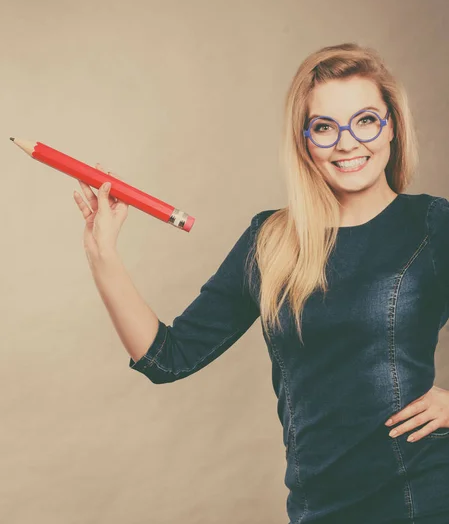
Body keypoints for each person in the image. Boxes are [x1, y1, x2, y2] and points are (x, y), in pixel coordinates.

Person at [73, 42, 449, 524]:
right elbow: (167, 357)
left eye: (366, 120)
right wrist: (101, 252)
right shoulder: (271, 241)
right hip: (319, 505)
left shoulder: (430, 225)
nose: (348, 142)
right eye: (324, 127)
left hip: (422, 496)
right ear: (304, 140)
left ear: (392, 126)